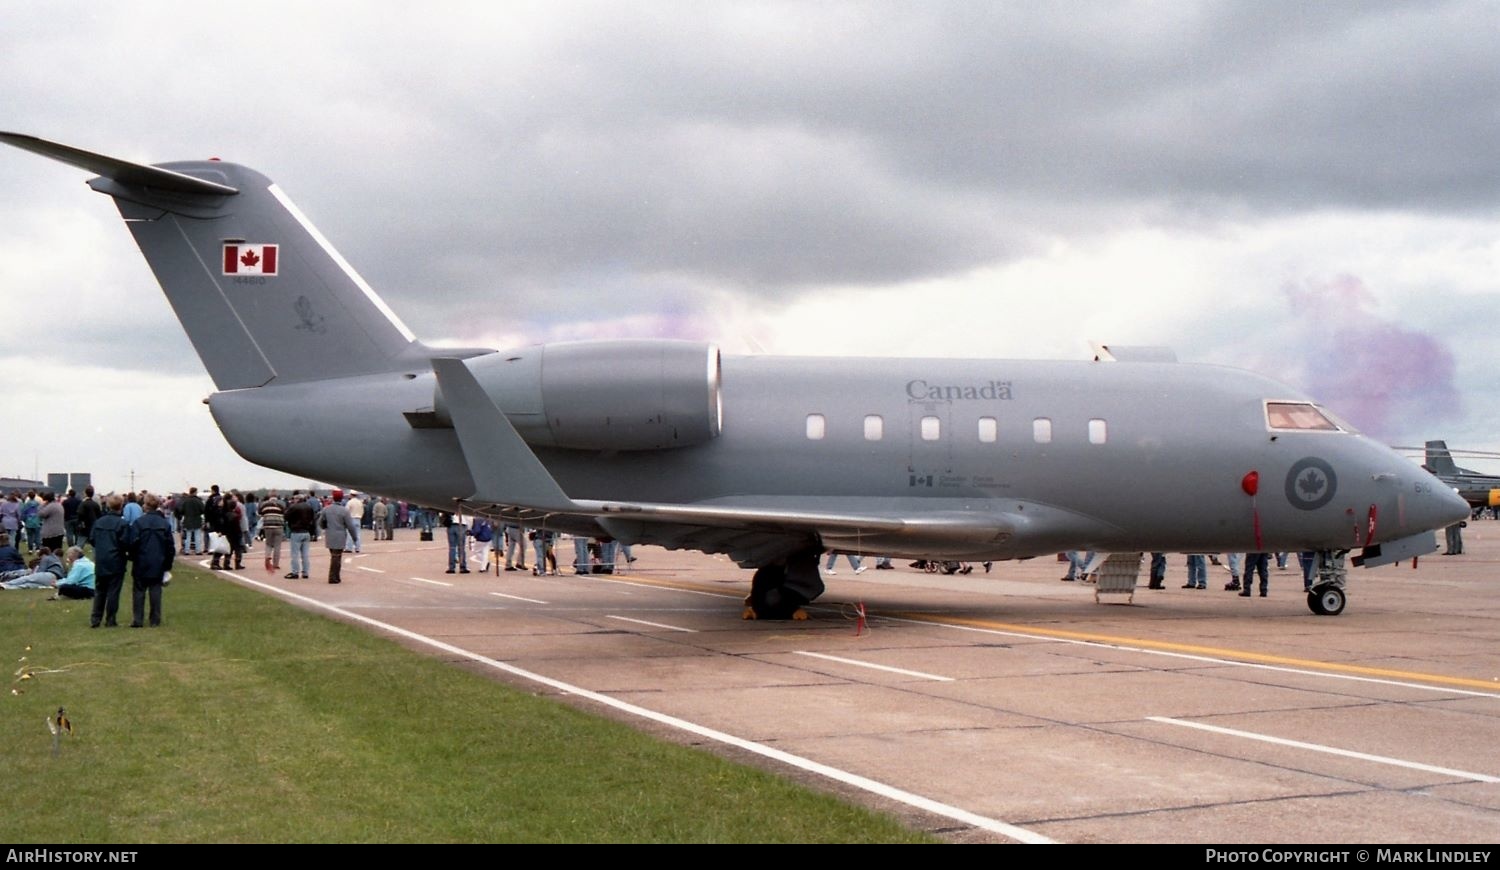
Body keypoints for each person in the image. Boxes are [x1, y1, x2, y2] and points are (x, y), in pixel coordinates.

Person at [126, 494, 174, 627]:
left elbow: (132, 543)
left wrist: (132, 557)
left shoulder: (138, 523)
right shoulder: (164, 524)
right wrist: (167, 565)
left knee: (139, 591)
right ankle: (155, 619)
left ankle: (137, 619)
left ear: (146, 506)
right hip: (158, 561)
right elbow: (170, 547)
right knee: (155, 590)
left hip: (141, 560)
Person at [89, 495, 130, 627]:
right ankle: (110, 619)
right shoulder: (122, 524)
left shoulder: (99, 522)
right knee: (113, 590)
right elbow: (126, 542)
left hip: (101, 558)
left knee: (100, 589)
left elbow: (92, 539)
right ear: (121, 507)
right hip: (116, 559)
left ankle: (95, 618)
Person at [318, 490, 359, 584]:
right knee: (336, 557)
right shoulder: (344, 511)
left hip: (330, 535)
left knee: (334, 556)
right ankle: (333, 576)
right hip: (340, 535)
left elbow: (320, 522)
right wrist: (354, 537)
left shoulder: (326, 509)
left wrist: (326, 527)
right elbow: (350, 526)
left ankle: (336, 576)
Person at [284, 493, 316, 579]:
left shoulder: (294, 507)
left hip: (296, 531)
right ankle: (305, 572)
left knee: (295, 554)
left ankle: (295, 572)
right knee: (305, 554)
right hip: (306, 531)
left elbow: (286, 516)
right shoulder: (309, 507)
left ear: (297, 499)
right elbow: (313, 519)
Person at [1, 547, 65, 589]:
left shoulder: (46, 558)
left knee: (26, 579)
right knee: (28, 585)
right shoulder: (58, 561)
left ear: (43, 555)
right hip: (54, 581)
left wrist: (31, 574)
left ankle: (5, 584)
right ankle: (7, 587)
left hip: (49, 575)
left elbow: (40, 571)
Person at [259, 491, 285, 572]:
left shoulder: (264, 504)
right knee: (277, 546)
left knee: (268, 544)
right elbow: (284, 513)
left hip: (268, 525)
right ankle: (276, 564)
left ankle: (267, 556)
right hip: (278, 526)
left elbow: (260, 513)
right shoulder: (281, 504)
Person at [177, 486, 205, 554]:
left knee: (188, 536)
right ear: (195, 492)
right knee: (197, 536)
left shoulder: (186, 501)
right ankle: (198, 550)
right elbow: (203, 510)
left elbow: (181, 510)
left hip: (187, 519)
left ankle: (187, 550)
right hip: (197, 519)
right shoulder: (199, 501)